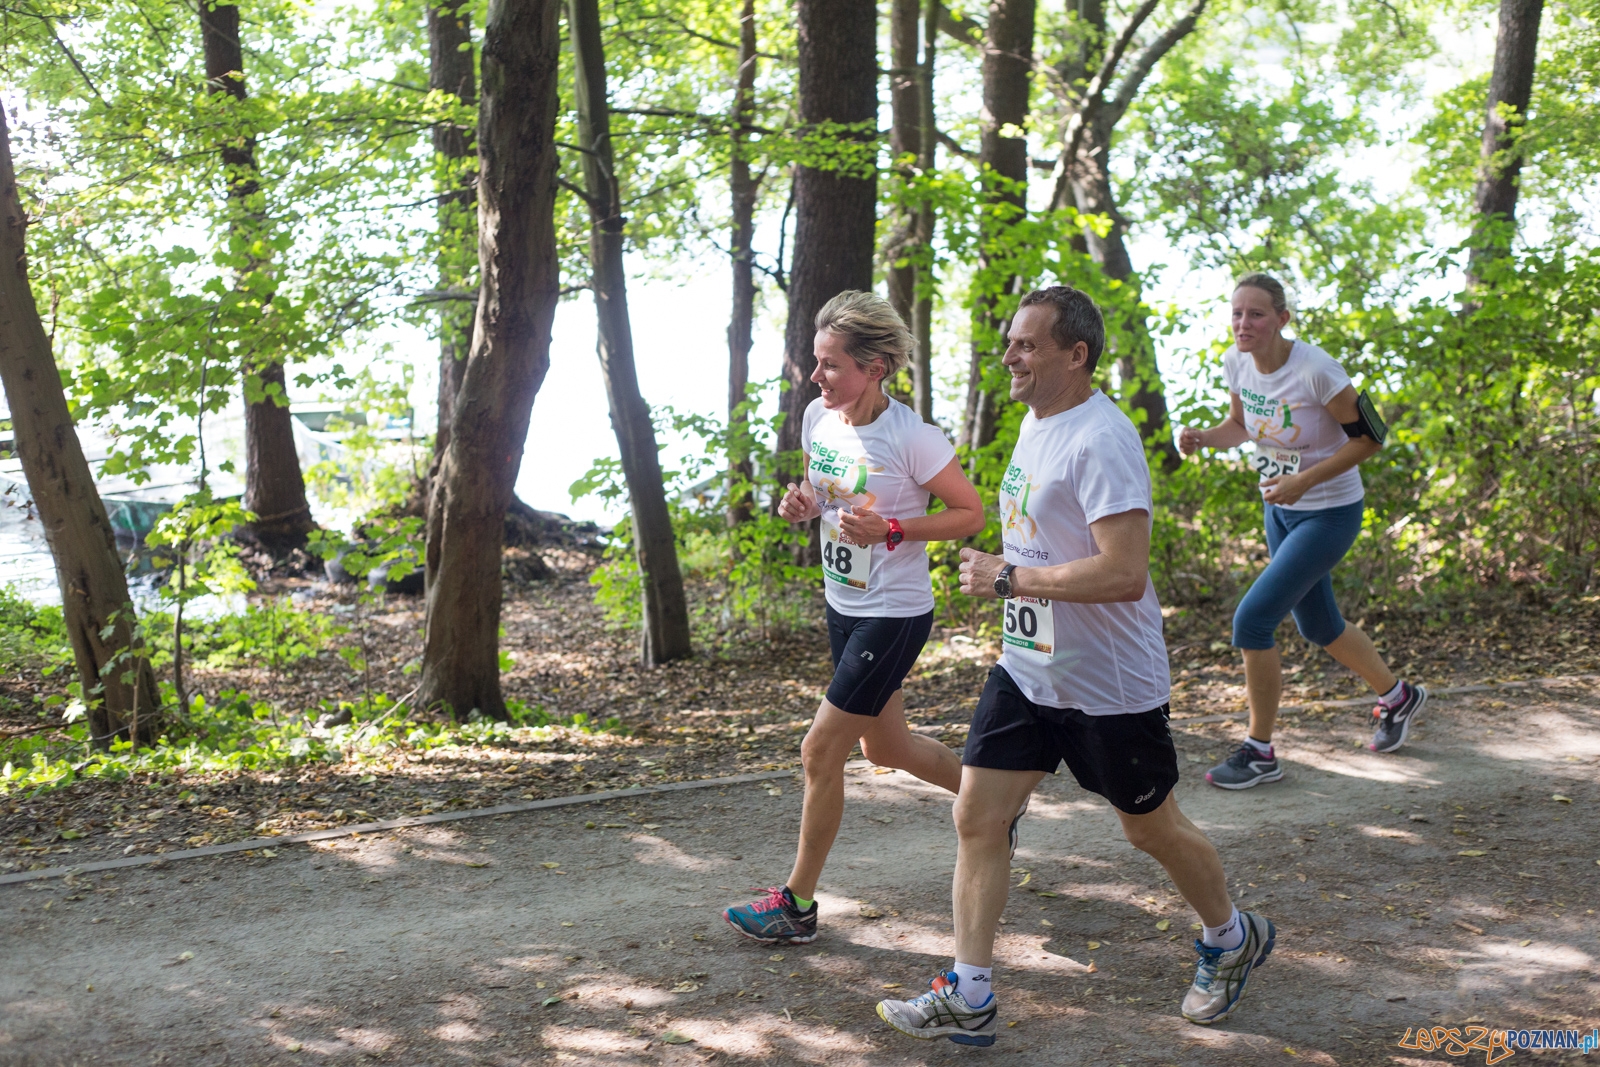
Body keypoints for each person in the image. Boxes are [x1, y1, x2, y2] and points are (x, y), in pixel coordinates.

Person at [876, 286, 1273, 1046]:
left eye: (1026, 344)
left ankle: (1230, 936)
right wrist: (1016, 584)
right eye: (1010, 343)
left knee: (1150, 830)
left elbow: (1123, 572)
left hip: (1108, 686)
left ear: (1076, 353)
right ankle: (971, 990)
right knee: (978, 814)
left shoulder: (1103, 437)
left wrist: (1008, 578)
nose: (1010, 356)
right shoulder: (1038, 420)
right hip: (1028, 671)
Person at [722, 290, 986, 945]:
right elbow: (826, 491)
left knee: (821, 750)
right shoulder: (820, 416)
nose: (816, 377)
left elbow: (970, 514)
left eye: (831, 364)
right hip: (843, 604)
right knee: (885, 746)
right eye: (816, 362)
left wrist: (894, 528)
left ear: (875, 367)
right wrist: (803, 504)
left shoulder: (913, 437)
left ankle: (797, 904)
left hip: (892, 615)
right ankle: (993, 804)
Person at [1177, 273, 1426, 790]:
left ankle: (1260, 751)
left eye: (1257, 314)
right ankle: (1398, 696)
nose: (1244, 324)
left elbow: (1371, 440)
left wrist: (1303, 482)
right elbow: (1242, 426)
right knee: (1318, 626)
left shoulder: (1316, 370)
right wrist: (1204, 437)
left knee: (1252, 622)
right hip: (1281, 509)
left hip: (1329, 512)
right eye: (1237, 313)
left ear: (1282, 319)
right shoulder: (1236, 362)